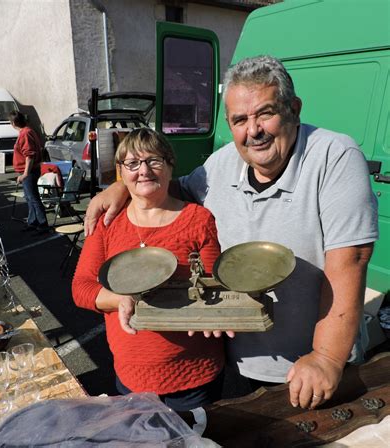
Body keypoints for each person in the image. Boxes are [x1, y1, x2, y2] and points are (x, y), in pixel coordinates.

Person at [83, 56, 378, 410]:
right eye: (240, 120)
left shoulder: (334, 155)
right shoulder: (223, 164)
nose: (253, 131)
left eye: (265, 114)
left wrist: (327, 357)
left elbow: (351, 259)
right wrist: (120, 188)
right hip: (237, 359)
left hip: (309, 367)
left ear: (293, 109)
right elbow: (168, 188)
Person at [72, 128, 229, 412]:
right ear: (122, 172)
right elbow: (81, 288)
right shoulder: (107, 223)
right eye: (132, 163)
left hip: (194, 375)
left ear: (170, 166)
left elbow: (213, 284)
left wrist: (213, 309)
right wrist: (122, 299)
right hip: (132, 377)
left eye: (154, 161)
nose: (143, 171)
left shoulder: (198, 219)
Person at [10, 110, 49, 233]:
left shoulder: (25, 133)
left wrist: (25, 173)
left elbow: (29, 155)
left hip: (30, 171)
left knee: (33, 198)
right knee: (29, 198)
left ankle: (43, 225)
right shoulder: (28, 131)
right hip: (29, 170)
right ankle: (32, 222)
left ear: (13, 123)